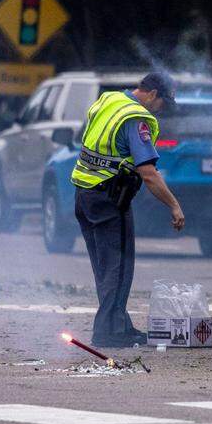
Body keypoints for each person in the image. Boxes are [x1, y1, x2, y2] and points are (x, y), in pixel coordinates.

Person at [69, 72, 185, 347]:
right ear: (154, 94)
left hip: (84, 193)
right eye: (163, 103)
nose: (162, 110)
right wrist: (174, 206)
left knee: (105, 268)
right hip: (109, 199)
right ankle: (108, 332)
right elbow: (148, 173)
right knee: (118, 269)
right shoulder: (136, 118)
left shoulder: (109, 100)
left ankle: (119, 324)